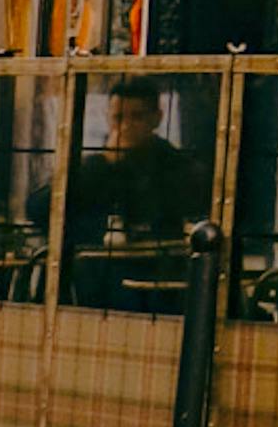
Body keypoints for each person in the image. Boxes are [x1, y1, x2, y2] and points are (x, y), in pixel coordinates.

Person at [60, 81, 203, 311]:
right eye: (118, 118)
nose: (126, 127)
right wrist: (105, 164)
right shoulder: (94, 166)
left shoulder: (177, 166)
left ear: (156, 119)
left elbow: (186, 202)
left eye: (136, 117)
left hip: (159, 276)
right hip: (98, 279)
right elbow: (42, 206)